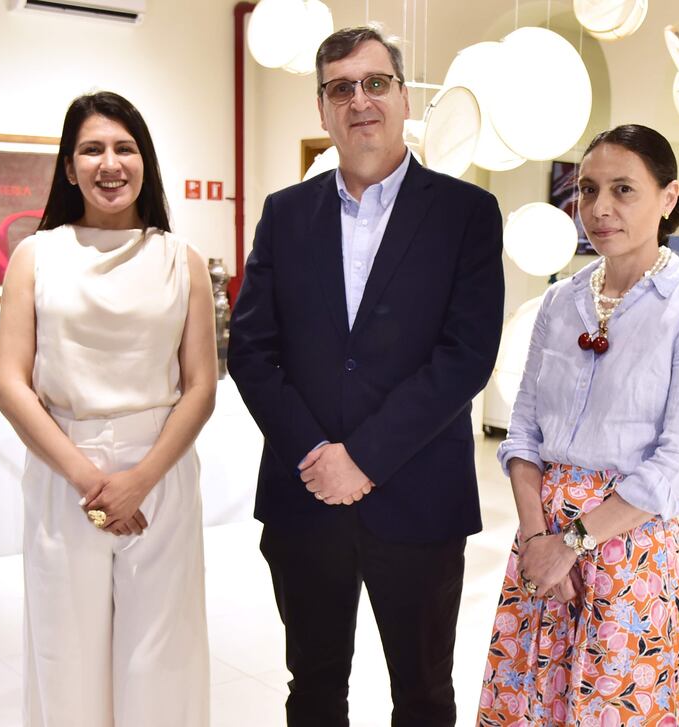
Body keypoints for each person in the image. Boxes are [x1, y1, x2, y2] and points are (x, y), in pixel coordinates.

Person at [228, 25, 504, 727]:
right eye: (340, 87)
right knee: (313, 688)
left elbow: (466, 354)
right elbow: (253, 349)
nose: (360, 100)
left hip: (418, 500)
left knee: (421, 693)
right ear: (322, 109)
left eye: (375, 82)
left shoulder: (465, 214)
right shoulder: (286, 214)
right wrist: (318, 456)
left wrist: (365, 458)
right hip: (305, 497)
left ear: (404, 97)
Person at [476, 124, 679, 726]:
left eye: (623, 189)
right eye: (588, 189)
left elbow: (677, 466)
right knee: (528, 700)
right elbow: (522, 433)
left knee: (611, 706)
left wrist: (570, 545)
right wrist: (538, 538)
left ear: (668, 199)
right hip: (539, 541)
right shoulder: (559, 302)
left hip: (626, 549)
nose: (599, 208)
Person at [0, 91, 217, 727]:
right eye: (92, 149)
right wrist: (91, 480)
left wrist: (138, 481)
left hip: (161, 474)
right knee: (67, 653)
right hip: (66, 473)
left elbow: (200, 386)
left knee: (160, 655)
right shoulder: (37, 257)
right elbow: (11, 384)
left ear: (145, 160)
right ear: (68, 168)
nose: (109, 163)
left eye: (125, 147)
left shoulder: (182, 261)